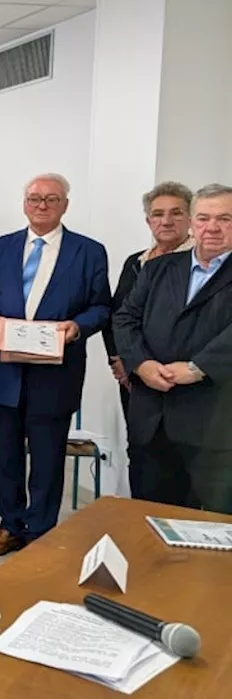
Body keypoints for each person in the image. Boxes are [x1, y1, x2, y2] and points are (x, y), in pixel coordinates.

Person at [0, 175, 111, 557]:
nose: (42, 205)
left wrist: (77, 327)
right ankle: (9, 523)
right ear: (24, 203)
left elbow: (101, 307)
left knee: (48, 456)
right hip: (4, 371)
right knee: (3, 453)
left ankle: (41, 530)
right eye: (34, 198)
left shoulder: (89, 252)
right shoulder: (1, 248)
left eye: (51, 199)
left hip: (56, 372)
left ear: (65, 204)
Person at [115, 183, 232, 514]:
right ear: (193, 223)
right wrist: (141, 364)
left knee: (211, 529)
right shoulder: (157, 269)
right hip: (153, 418)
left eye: (224, 218)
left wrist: (197, 368)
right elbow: (125, 319)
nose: (212, 227)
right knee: (146, 519)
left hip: (214, 427)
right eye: (205, 217)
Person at [102, 182, 194, 415]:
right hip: (132, 374)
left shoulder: (201, 264)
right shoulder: (135, 262)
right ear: (148, 221)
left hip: (179, 378)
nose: (166, 221)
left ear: (191, 218)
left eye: (176, 213)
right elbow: (117, 315)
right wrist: (122, 361)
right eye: (158, 214)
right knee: (139, 445)